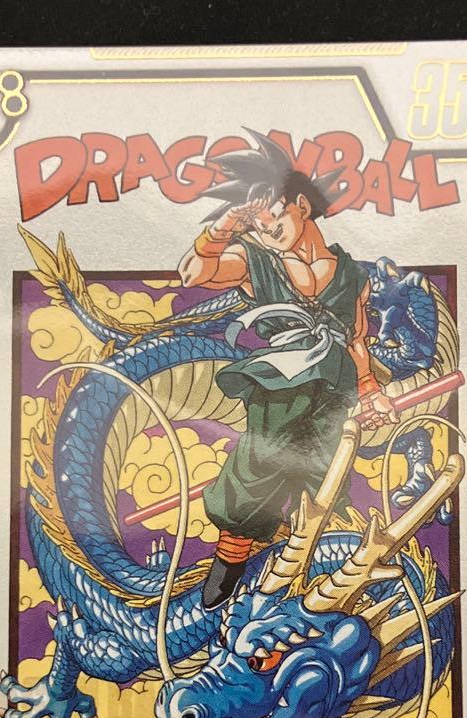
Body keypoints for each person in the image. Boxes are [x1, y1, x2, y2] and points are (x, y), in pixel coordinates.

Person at [178, 130, 398, 609]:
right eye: (256, 225)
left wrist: (370, 390)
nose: (267, 230)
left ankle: (315, 568)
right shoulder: (254, 260)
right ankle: (231, 560)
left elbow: (356, 338)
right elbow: (193, 273)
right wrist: (224, 228)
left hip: (336, 387)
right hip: (282, 380)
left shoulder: (352, 274)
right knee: (258, 465)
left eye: (272, 217)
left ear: (300, 205)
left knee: (327, 474)